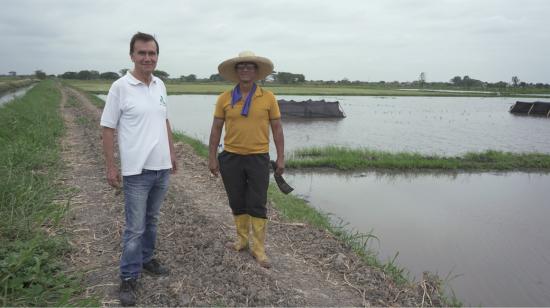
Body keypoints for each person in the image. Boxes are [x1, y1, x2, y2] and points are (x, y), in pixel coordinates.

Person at [100, 32, 177, 306]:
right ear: (132, 55)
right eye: (142, 53)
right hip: (136, 172)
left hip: (162, 168)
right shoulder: (120, 87)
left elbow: (164, 121)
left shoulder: (160, 85)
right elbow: (108, 128)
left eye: (152, 53)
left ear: (157, 56)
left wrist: (172, 152)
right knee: (135, 227)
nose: (148, 58)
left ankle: (146, 259)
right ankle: (129, 277)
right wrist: (111, 166)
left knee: (153, 219)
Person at [208, 51, 285, 268]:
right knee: (237, 200)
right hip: (231, 157)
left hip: (258, 158)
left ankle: (258, 249)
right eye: (241, 66)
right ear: (236, 71)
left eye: (249, 66)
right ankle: (242, 240)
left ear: (256, 72)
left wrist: (281, 157)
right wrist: (212, 157)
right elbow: (215, 129)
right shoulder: (224, 98)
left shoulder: (268, 98)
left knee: (257, 203)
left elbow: (277, 130)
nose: (245, 70)